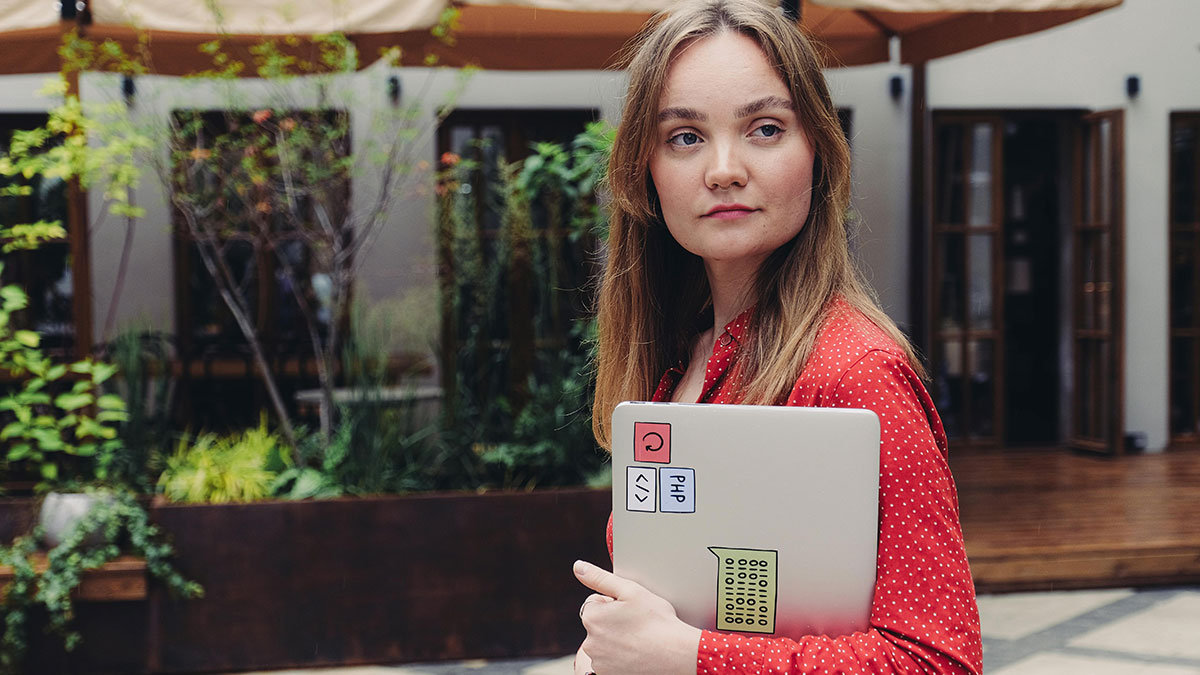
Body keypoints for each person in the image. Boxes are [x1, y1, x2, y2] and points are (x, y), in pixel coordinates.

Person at [572, 1, 982, 673]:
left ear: (817, 150)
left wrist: (692, 655)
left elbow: (940, 661)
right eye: (685, 136)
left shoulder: (855, 373)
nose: (723, 169)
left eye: (764, 129)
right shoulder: (683, 354)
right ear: (645, 170)